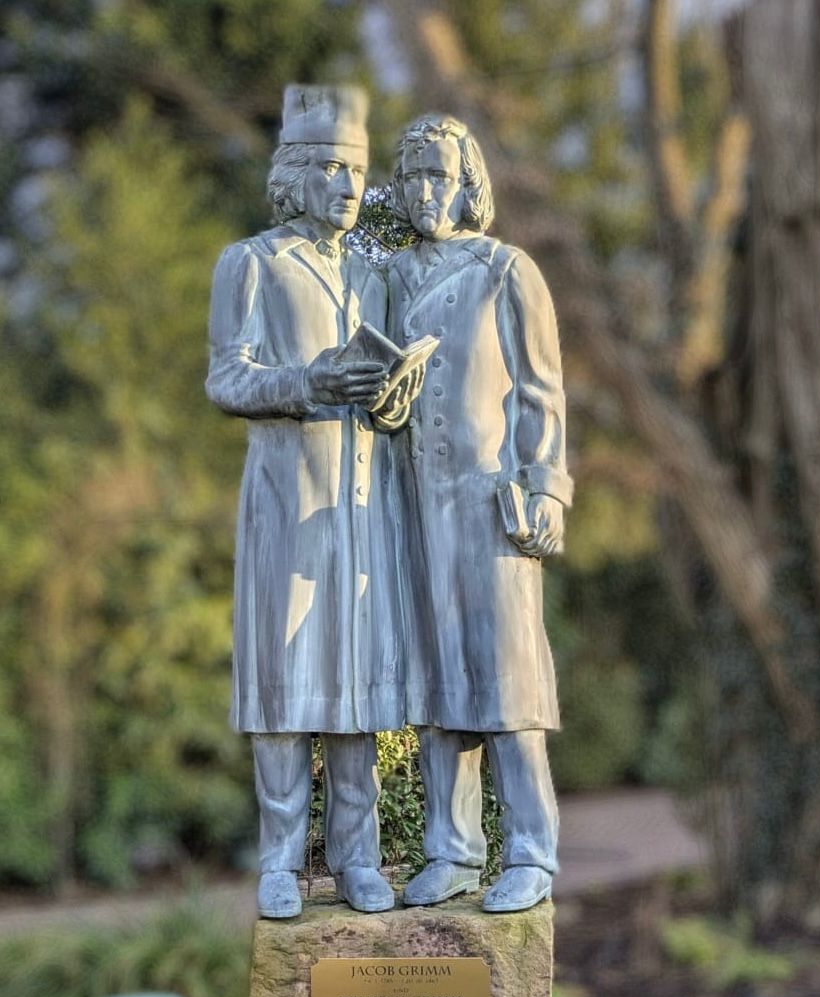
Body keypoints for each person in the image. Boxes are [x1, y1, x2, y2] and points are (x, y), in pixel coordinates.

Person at [206, 85, 422, 918]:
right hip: (284, 496)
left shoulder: (373, 273)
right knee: (286, 683)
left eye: (358, 172)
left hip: (360, 508)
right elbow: (227, 377)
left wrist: (392, 394)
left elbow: (389, 393)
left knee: (356, 688)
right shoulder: (252, 262)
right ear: (293, 174)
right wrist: (309, 382)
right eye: (331, 168)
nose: (348, 187)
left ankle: (359, 859)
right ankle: (280, 861)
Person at [384, 113, 572, 913]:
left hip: (491, 502)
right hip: (411, 506)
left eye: (441, 177)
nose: (427, 193)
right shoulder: (387, 279)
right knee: (434, 682)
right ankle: (452, 851)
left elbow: (541, 392)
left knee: (506, 678)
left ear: (468, 185)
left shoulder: (506, 270)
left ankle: (529, 849)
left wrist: (547, 487)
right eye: (414, 176)